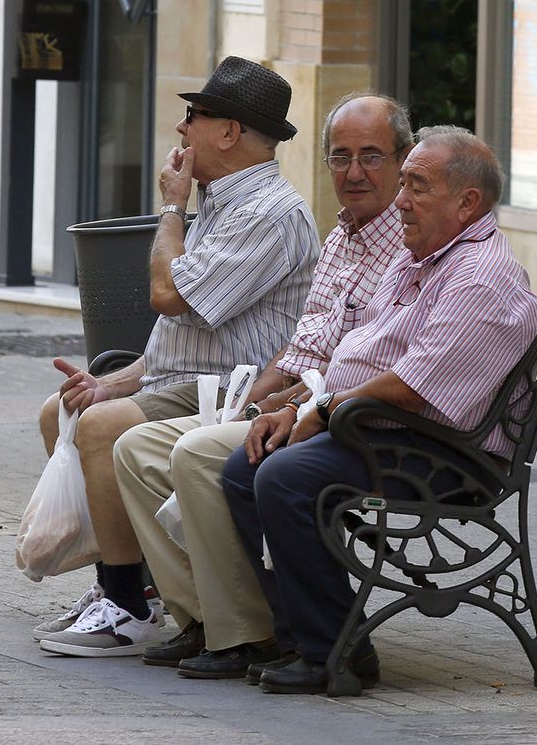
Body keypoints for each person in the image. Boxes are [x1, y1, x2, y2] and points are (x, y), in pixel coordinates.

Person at [222, 125, 537, 694]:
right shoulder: (422, 256)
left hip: (443, 456)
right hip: (382, 432)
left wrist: (320, 415)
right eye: (404, 186)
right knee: (244, 467)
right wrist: (299, 405)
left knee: (283, 477)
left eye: (416, 187)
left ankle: (334, 651)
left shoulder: (481, 277)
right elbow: (359, 357)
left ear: (467, 202)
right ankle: (308, 632)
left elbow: (414, 388)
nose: (399, 200)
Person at [109, 93, 413, 678]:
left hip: (349, 421)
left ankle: (247, 631)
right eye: (340, 157)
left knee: (194, 452)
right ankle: (205, 617)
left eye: (372, 157)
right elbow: (304, 345)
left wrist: (294, 406)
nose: (353, 173)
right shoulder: (345, 236)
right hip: (289, 399)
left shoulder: (401, 245)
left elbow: (374, 366)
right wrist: (251, 403)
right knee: (135, 448)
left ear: (403, 159)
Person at [33, 56, 321, 657]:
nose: (181, 129)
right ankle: (133, 581)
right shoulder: (221, 200)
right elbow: (181, 338)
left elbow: (168, 296)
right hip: (192, 378)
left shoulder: (269, 212)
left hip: (234, 393)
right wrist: (113, 382)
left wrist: (171, 208)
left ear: (228, 132)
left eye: (194, 115)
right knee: (62, 408)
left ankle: (127, 607)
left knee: (100, 426)